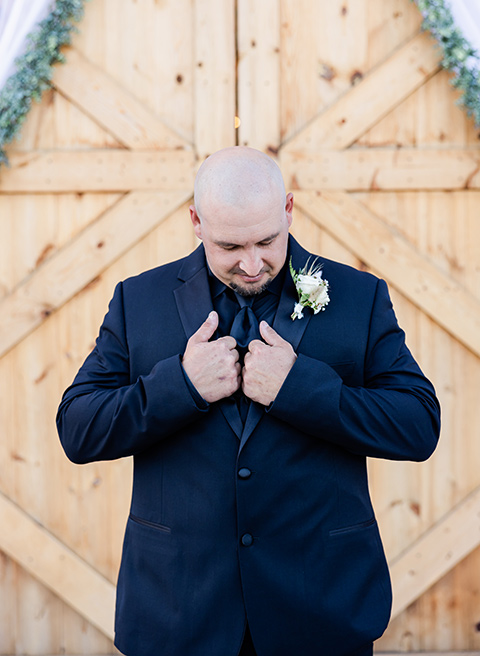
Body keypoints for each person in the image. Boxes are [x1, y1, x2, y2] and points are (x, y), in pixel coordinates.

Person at [57, 146, 440, 656]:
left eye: (266, 240)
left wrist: (301, 389)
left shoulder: (358, 296)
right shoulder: (137, 300)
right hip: (179, 612)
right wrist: (181, 386)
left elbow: (418, 424)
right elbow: (78, 429)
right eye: (231, 246)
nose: (253, 263)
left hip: (319, 608)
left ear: (288, 209)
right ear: (195, 221)